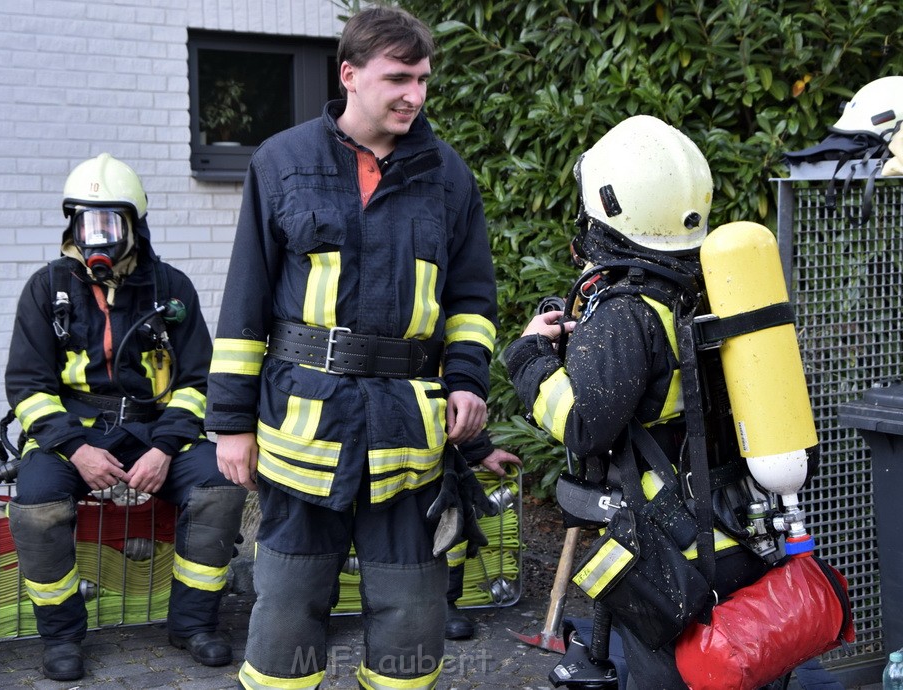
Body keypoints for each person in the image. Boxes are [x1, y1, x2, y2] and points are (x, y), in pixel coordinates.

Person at [205, 6, 498, 689]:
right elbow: (245, 301)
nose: (415, 95)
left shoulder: (449, 177)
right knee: (287, 609)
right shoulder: (282, 162)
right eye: (399, 77)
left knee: (411, 615)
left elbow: (473, 302)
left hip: (407, 434)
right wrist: (228, 425)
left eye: (423, 79)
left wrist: (467, 381)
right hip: (304, 429)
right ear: (350, 75)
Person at [505, 115, 770, 689]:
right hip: (733, 528)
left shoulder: (626, 309)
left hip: (672, 550)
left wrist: (529, 357)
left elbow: (581, 424)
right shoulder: (700, 292)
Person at [5, 153, 247, 682]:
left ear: (133, 225)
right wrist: (74, 449)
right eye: (86, 223)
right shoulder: (47, 290)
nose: (98, 238)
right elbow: (27, 386)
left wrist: (164, 448)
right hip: (75, 433)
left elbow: (198, 381)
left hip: (154, 430)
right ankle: (63, 637)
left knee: (217, 484)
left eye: (110, 223)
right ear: (71, 226)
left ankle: (194, 624)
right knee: (37, 503)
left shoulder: (171, 290)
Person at [445, 436, 521, 640]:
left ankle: (444, 602)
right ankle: (383, 606)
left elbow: (451, 406)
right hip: (356, 457)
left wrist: (478, 449)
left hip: (426, 459)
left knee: (449, 518)